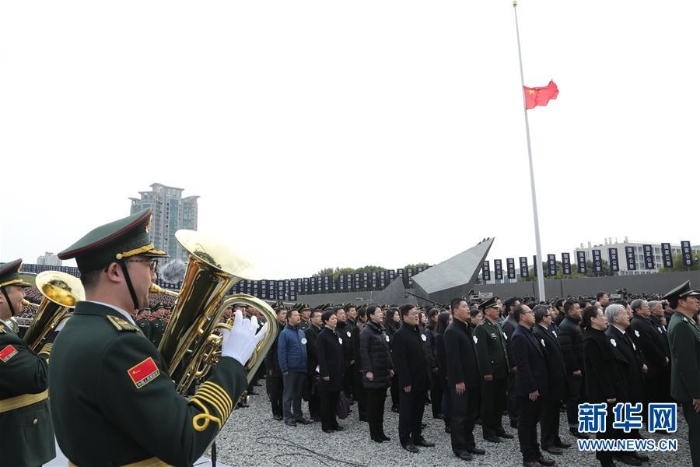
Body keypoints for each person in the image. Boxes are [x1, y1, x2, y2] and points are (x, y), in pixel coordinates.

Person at [49, 208, 267, 466]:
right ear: (115, 272)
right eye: (149, 265)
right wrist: (231, 362)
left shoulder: (75, 328)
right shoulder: (119, 343)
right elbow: (185, 441)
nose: (154, 276)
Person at [0, 259, 57, 467]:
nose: (24, 296)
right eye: (19, 289)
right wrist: (53, 342)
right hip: (12, 444)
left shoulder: (6, 330)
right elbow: (37, 377)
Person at [581, 305, 629, 467]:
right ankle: (605, 460)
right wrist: (609, 393)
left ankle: (606, 455)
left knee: (610, 426)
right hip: (602, 392)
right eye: (602, 316)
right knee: (606, 428)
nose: (605, 319)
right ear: (593, 319)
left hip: (611, 387)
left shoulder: (600, 335)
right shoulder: (591, 339)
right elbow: (599, 370)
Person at [510, 304, 556, 467]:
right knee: (527, 424)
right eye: (529, 312)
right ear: (521, 316)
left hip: (538, 386)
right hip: (529, 389)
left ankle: (536, 453)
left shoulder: (529, 333)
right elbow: (523, 366)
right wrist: (531, 388)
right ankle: (528, 457)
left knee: (533, 422)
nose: (533, 314)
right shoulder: (519, 336)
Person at [444, 297, 485, 462]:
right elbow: (453, 360)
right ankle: (459, 448)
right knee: (459, 416)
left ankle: (469, 443)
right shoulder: (452, 331)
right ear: (455, 311)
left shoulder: (467, 327)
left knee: (470, 415)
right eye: (465, 306)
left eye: (468, 306)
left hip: (473, 379)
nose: (469, 309)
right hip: (461, 382)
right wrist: (458, 381)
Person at [664, 281, 700, 467]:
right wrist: (697, 393)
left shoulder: (687, 321)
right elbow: (687, 364)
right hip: (692, 392)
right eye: (692, 297)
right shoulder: (680, 325)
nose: (697, 300)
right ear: (681, 302)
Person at [392, 304, 434, 453]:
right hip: (409, 381)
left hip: (422, 378)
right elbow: (400, 361)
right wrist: (405, 382)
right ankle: (405, 439)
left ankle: (417, 436)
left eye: (417, 313)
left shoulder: (420, 331)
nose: (417, 316)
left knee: (419, 410)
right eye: (413, 314)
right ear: (404, 317)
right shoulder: (400, 334)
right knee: (407, 412)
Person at [531, 304, 570, 455]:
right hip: (548, 380)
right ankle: (547, 442)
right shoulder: (537, 332)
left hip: (556, 378)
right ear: (542, 318)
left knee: (554, 411)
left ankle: (555, 438)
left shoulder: (550, 329)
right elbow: (542, 359)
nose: (551, 316)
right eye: (548, 315)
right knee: (547, 413)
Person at [473, 297, 513, 444]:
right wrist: (486, 372)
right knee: (489, 403)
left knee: (500, 401)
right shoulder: (481, 328)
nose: (499, 310)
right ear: (487, 311)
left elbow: (502, 348)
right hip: (491, 372)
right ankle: (488, 431)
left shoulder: (496, 325)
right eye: (495, 309)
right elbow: (481, 353)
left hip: (501, 370)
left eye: (498, 308)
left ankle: (498, 428)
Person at [360, 305, 394, 443]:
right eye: (378, 312)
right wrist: (368, 370)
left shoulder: (381, 330)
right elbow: (364, 352)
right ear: (371, 315)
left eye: (381, 312)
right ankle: (374, 434)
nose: (381, 314)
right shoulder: (366, 332)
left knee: (381, 404)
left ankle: (381, 432)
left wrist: (390, 367)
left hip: (382, 372)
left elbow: (386, 351)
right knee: (374, 405)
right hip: (373, 373)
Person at [278, 308, 311, 426]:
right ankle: (288, 417)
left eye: (299, 315)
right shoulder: (284, 333)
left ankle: (298, 415)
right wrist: (284, 369)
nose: (298, 317)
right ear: (289, 318)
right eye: (296, 315)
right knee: (288, 395)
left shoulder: (301, 332)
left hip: (301, 368)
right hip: (290, 369)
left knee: (298, 394)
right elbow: (281, 352)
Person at [316, 309, 345, 433]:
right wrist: (325, 373)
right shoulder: (322, 336)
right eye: (332, 319)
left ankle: (334, 422)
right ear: (326, 321)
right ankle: (326, 425)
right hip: (328, 372)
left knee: (334, 399)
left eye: (335, 318)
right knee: (326, 400)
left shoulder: (336, 333)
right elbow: (321, 357)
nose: (335, 321)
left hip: (337, 371)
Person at [265, 306, 287, 420]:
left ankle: (283, 410)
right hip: (275, 364)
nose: (285, 315)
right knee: (275, 390)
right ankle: (276, 412)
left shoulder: (287, 328)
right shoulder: (273, 329)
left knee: (284, 389)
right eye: (283, 313)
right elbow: (269, 349)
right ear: (277, 315)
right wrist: (269, 365)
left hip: (285, 364)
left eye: (286, 313)